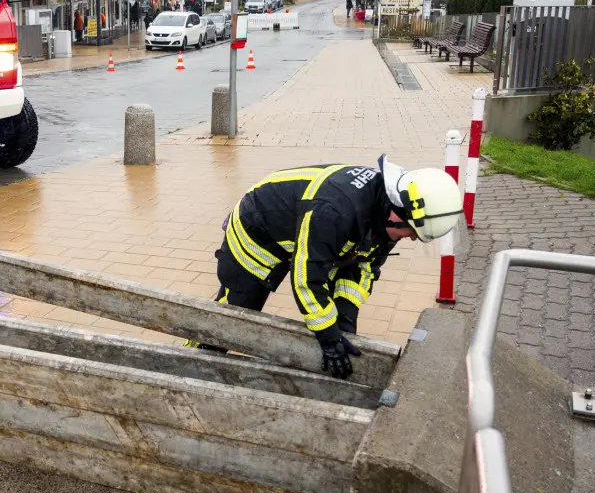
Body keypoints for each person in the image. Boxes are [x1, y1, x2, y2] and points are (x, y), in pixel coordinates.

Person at [188, 157, 463, 379]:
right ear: (397, 210)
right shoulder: (335, 212)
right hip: (257, 229)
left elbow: (363, 266)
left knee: (335, 319)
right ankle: (191, 362)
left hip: (304, 228)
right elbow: (307, 280)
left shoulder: (389, 211)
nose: (411, 237)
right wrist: (330, 338)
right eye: (411, 232)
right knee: (236, 313)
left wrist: (344, 323)